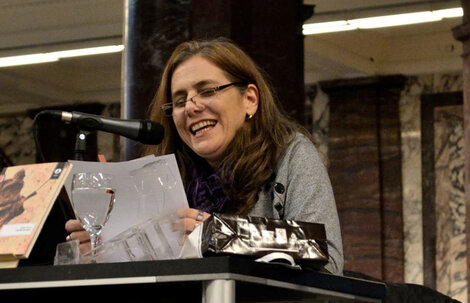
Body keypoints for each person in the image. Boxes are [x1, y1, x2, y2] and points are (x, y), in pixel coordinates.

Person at [65, 37, 343, 276]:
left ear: (250, 99)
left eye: (207, 91)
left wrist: (218, 234)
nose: (192, 107)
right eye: (180, 99)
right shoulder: (159, 178)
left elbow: (327, 257)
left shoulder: (291, 155)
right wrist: (104, 250)